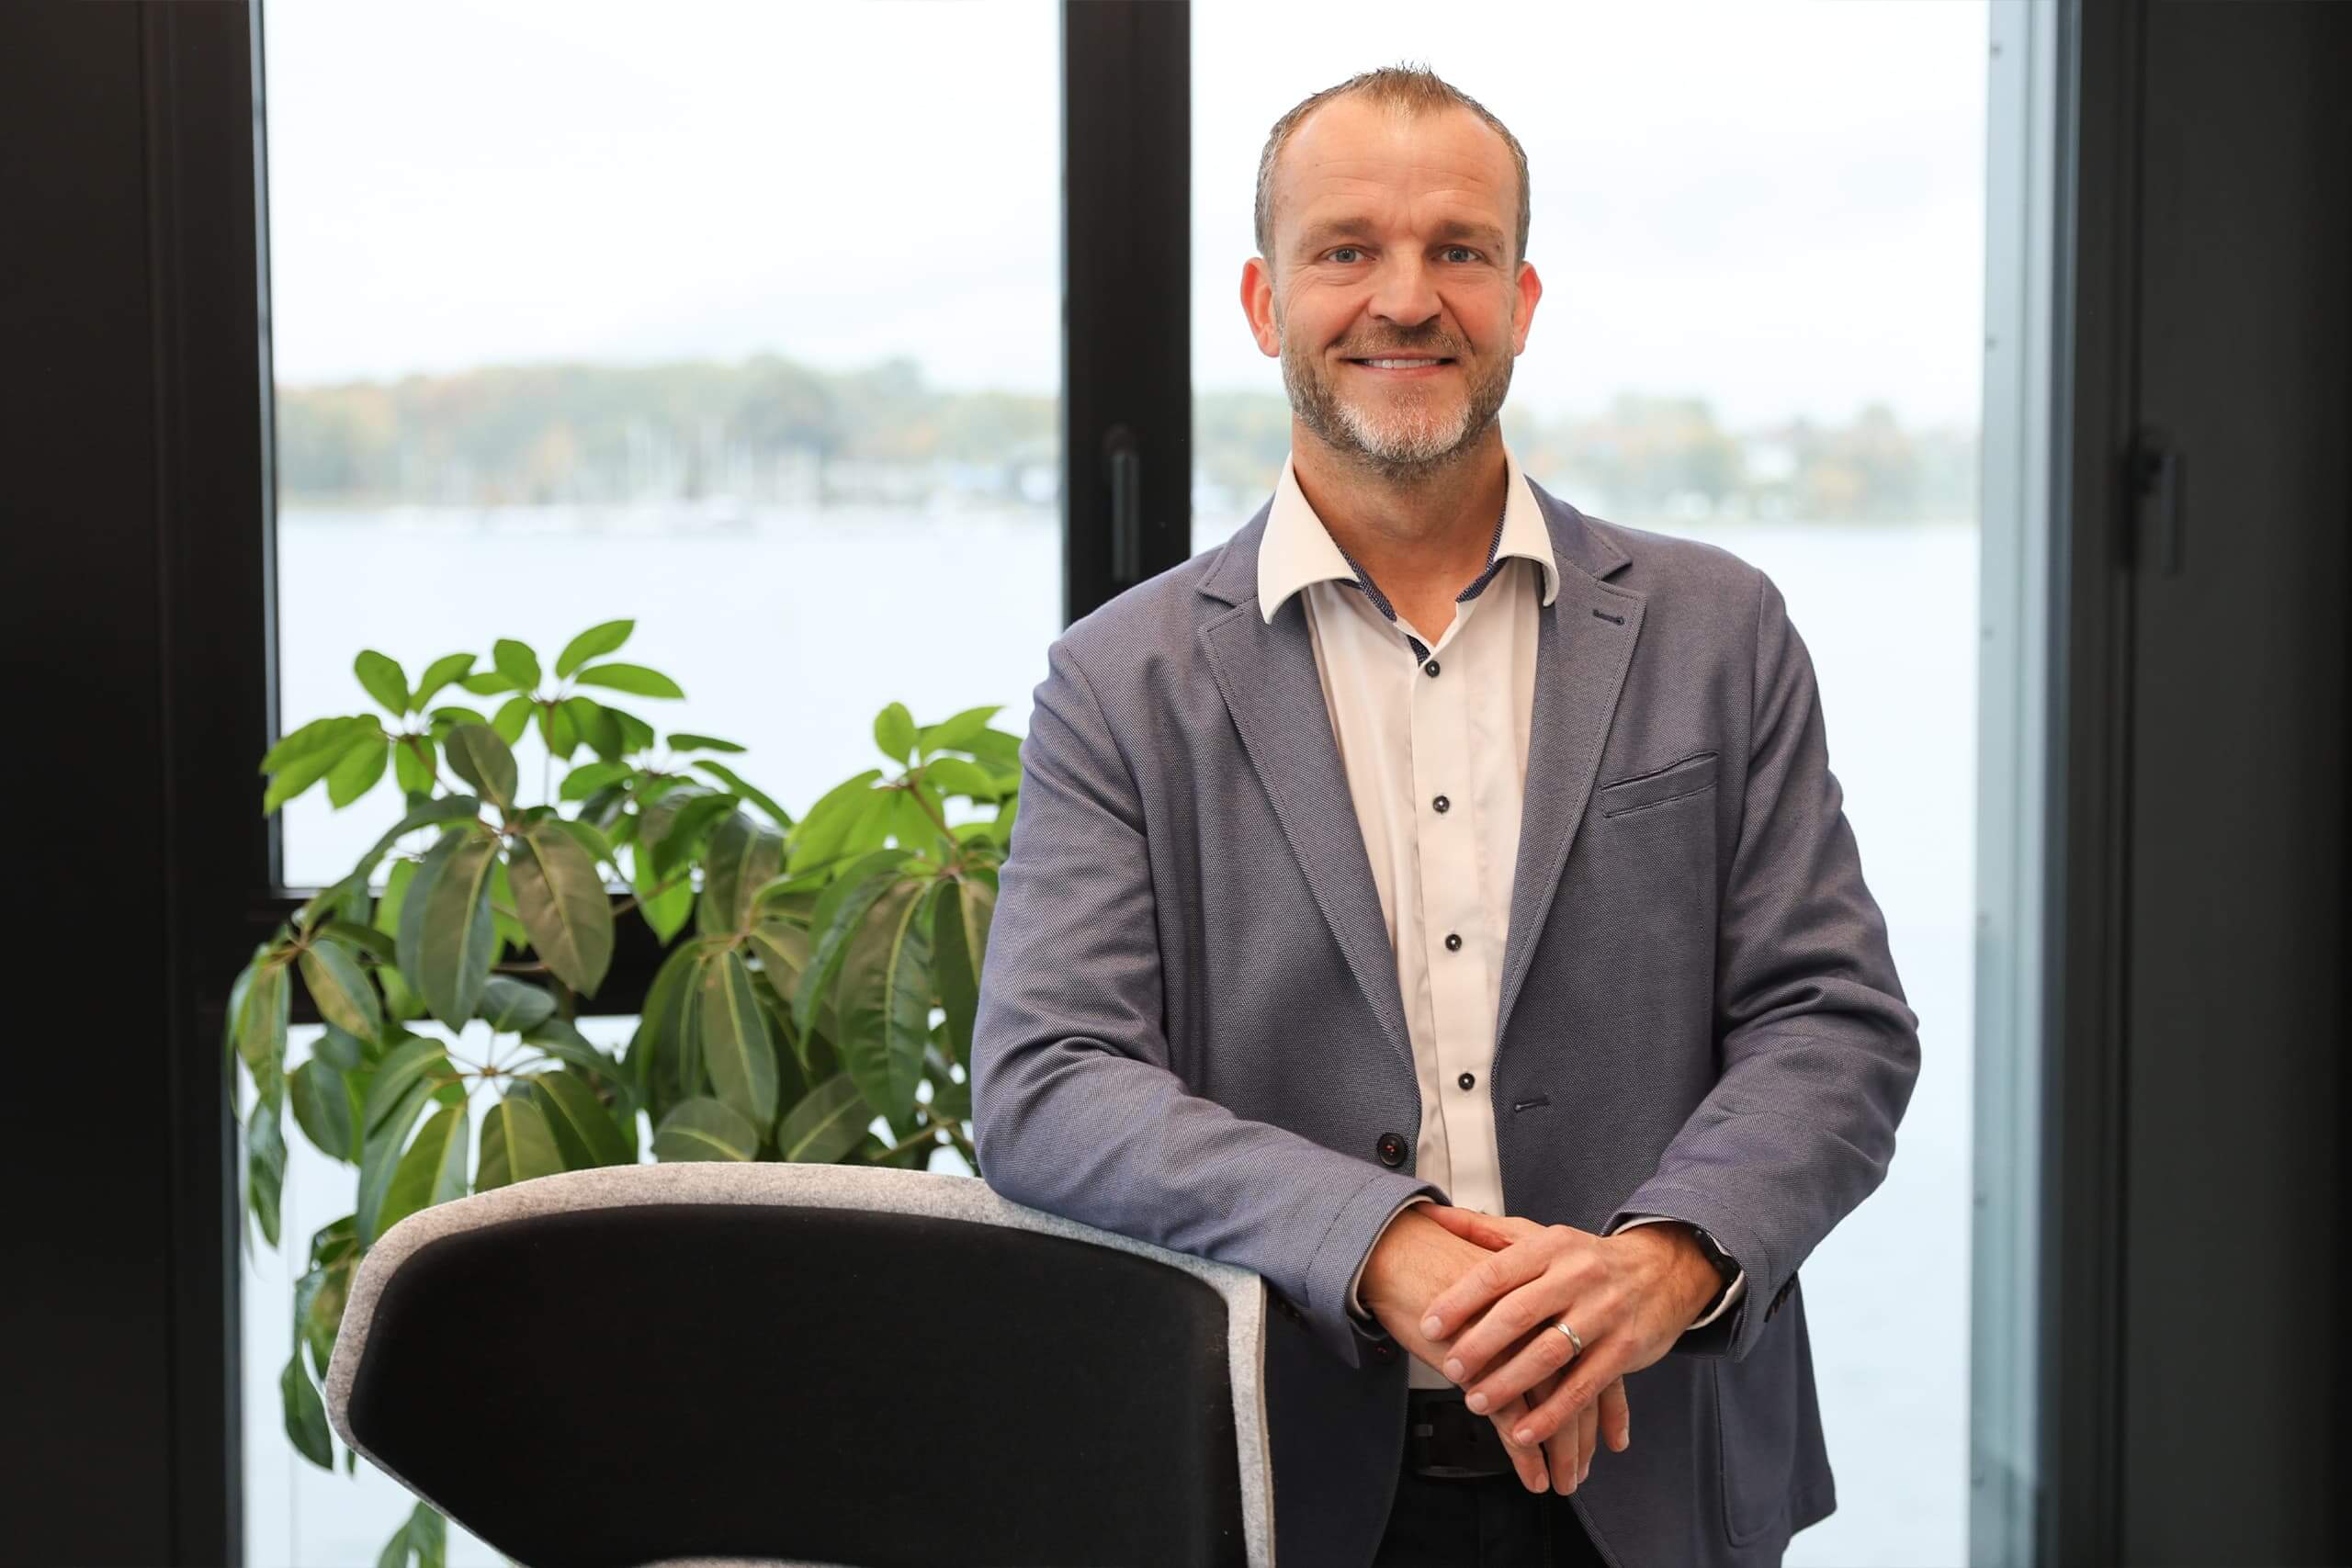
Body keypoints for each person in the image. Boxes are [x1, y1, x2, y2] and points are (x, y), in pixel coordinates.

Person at [970, 63, 1919, 1568]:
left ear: (1523, 297)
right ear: (1264, 302)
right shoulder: (1118, 680)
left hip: (1655, 1468)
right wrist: (1377, 1243)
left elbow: (1834, 1021)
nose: (1405, 299)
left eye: (1457, 251)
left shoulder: (1719, 629)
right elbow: (1048, 1077)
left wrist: (1662, 1265)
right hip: (1276, 1483)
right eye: (1347, 249)